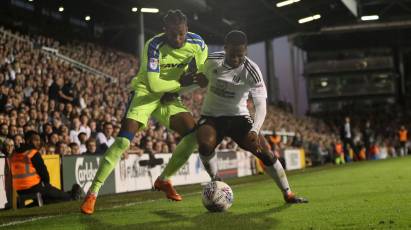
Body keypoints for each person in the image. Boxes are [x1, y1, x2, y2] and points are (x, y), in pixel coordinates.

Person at [80, 9, 208, 214]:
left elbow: (201, 77)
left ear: (187, 29)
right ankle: (92, 193)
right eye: (173, 34)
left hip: (170, 96)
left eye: (182, 33)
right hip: (145, 93)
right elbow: (155, 85)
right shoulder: (154, 45)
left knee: (193, 135)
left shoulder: (198, 44)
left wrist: (184, 85)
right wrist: (178, 84)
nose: (178, 38)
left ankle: (164, 180)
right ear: (164, 30)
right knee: (123, 141)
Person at [195, 30, 307, 204]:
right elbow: (196, 77)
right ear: (225, 48)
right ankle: (216, 180)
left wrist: (255, 129)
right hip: (212, 116)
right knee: (204, 145)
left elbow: (261, 105)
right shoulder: (210, 60)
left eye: (240, 55)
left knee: (266, 154)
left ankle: (288, 193)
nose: (236, 59)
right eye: (232, 54)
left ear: (245, 51)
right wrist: (196, 80)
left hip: (239, 118)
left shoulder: (252, 70)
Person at [10, 131, 81, 206]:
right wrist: (46, 184)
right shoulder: (33, 153)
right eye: (36, 140)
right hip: (34, 187)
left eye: (39, 140)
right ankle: (71, 195)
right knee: (58, 196)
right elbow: (44, 173)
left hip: (19, 190)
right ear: (28, 140)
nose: (38, 142)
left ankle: (69, 194)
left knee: (49, 195)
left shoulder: (15, 153)